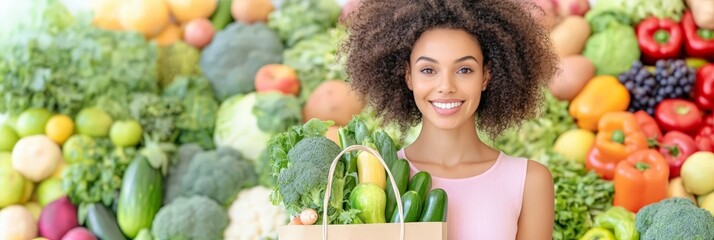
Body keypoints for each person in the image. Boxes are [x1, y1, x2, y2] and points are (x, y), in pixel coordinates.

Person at [340, 0, 559, 239]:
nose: (446, 87)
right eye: (428, 70)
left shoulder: (530, 181)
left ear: (486, 77)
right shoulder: (375, 180)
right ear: (408, 76)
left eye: (464, 70)